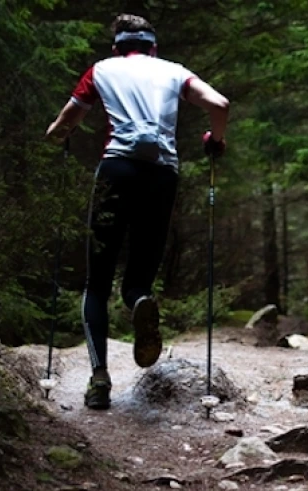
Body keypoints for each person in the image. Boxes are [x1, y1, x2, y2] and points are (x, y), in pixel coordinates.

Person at [46, 14, 229, 410]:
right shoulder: (173, 71)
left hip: (117, 170)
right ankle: (140, 301)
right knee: (139, 277)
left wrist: (57, 136)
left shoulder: (101, 70)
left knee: (97, 281)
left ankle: (98, 381)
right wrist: (215, 139)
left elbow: (67, 121)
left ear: (117, 48)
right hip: (162, 175)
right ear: (153, 48)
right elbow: (219, 103)